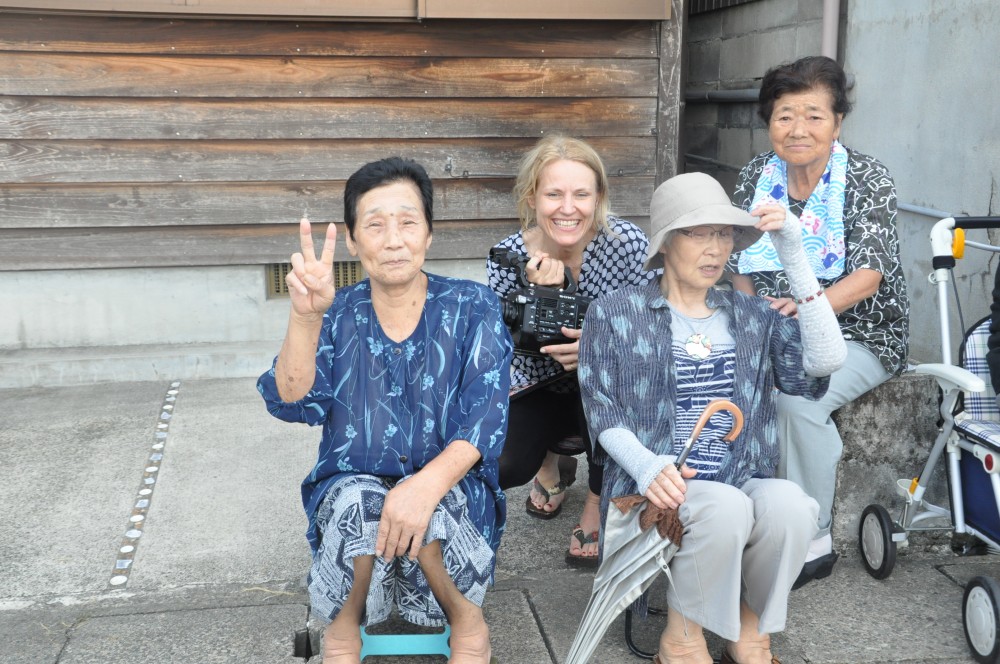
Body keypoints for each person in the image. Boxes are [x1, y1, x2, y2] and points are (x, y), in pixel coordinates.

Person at [579, 172, 847, 664]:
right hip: (659, 485)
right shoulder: (614, 313)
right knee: (724, 508)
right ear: (664, 243)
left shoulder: (750, 314)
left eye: (723, 234)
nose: (714, 248)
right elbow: (602, 410)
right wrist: (647, 466)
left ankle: (750, 627)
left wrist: (795, 255)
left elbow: (823, 363)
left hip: (741, 475)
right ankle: (682, 639)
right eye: (697, 233)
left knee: (793, 506)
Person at [257, 157, 512, 664]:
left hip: (451, 493)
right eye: (375, 225)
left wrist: (421, 487)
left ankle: (467, 621)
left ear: (429, 234)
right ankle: (343, 626)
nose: (393, 239)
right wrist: (305, 318)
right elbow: (290, 401)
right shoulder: (338, 314)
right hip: (352, 487)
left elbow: (485, 421)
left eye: (408, 222)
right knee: (359, 504)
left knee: (436, 503)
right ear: (353, 242)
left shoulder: (472, 306)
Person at [727, 55, 909, 588]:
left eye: (813, 115)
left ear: (837, 122)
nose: (798, 129)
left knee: (795, 399)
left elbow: (870, 276)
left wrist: (807, 307)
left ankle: (812, 534)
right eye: (785, 115)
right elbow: (739, 264)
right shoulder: (754, 177)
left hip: (860, 332)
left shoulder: (867, 177)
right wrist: (756, 314)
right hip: (772, 325)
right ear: (769, 122)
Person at [486, 135, 658, 567]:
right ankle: (549, 460)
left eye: (582, 194)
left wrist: (598, 349)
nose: (568, 208)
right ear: (532, 197)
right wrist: (538, 296)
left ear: (599, 196)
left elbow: (649, 326)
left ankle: (597, 500)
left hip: (607, 383)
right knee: (505, 463)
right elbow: (501, 342)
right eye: (554, 194)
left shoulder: (627, 245)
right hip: (535, 379)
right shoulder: (507, 256)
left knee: (600, 383)